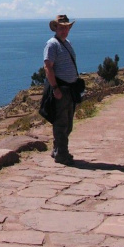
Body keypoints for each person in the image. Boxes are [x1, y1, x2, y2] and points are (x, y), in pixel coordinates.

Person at [43, 14, 78, 165]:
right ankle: (62, 155)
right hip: (60, 89)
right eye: (61, 28)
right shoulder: (52, 44)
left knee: (68, 123)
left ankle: (57, 149)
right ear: (55, 28)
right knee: (61, 123)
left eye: (66, 27)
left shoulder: (66, 43)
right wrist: (55, 88)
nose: (64, 30)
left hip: (69, 89)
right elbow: (48, 67)